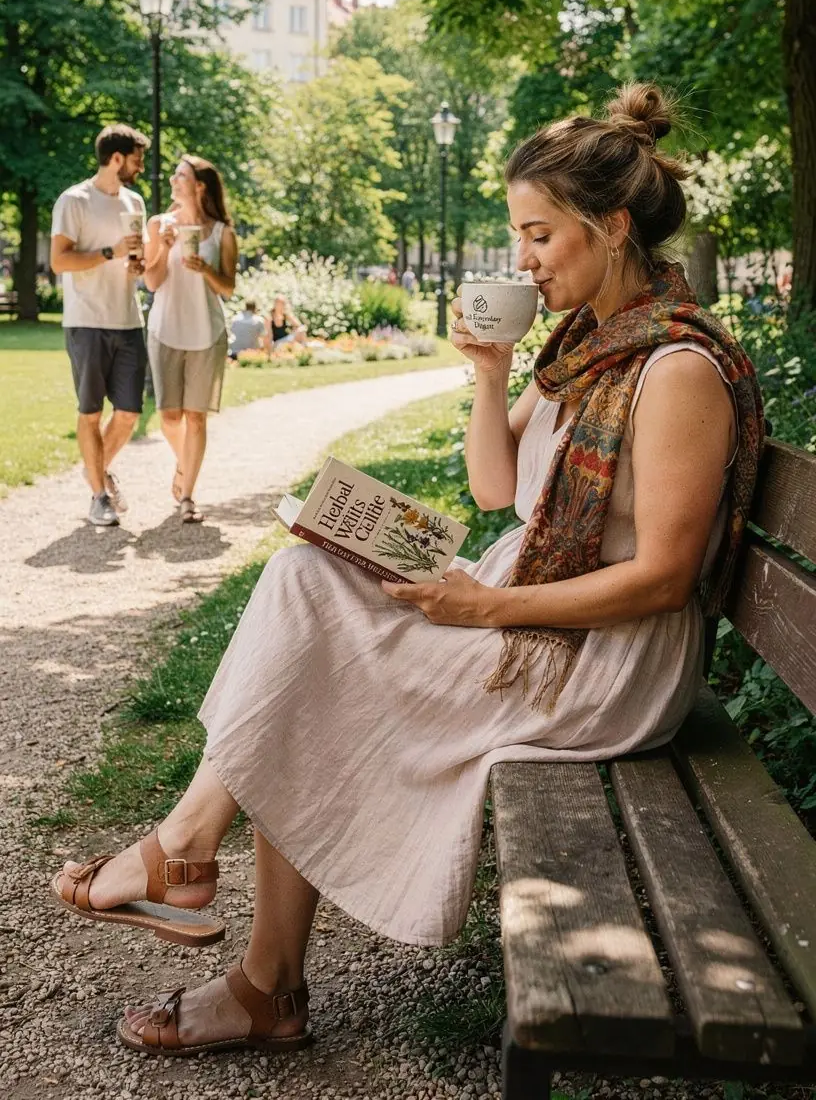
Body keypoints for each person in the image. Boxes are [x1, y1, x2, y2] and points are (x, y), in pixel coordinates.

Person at [52, 83, 764, 1059]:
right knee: (305, 585)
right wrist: (487, 373)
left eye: (540, 236)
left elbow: (664, 580)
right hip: (534, 612)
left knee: (312, 659)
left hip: (602, 661)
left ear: (614, 227)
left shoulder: (674, 368)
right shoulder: (587, 350)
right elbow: (492, 489)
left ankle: (230, 928)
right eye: (519, 235)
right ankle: (205, 884)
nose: (522, 259)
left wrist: (486, 606)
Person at [50, 124, 149, 527]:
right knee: (90, 412)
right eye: (137, 160)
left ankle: (95, 469)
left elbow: (134, 259)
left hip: (128, 318)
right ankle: (98, 494)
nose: (141, 168)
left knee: (128, 413)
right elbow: (60, 261)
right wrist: (110, 251)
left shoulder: (135, 202)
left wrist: (137, 264)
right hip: (87, 320)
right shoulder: (74, 200)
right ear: (117, 158)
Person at [143, 156, 237, 523]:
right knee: (169, 417)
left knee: (196, 419)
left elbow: (228, 288)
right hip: (165, 329)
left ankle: (187, 496)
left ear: (199, 185)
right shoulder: (159, 225)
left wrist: (206, 269)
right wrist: (164, 248)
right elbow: (151, 282)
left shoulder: (221, 233)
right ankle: (185, 464)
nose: (172, 179)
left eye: (180, 175)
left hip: (207, 332)